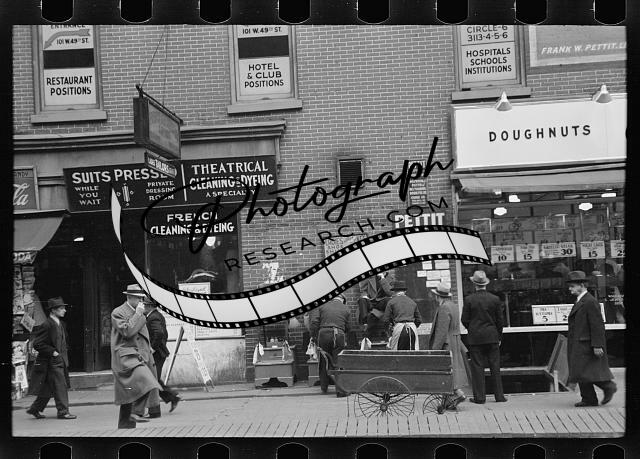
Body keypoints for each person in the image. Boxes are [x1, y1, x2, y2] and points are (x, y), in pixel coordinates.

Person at [111, 284, 162, 429]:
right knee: (147, 383)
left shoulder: (138, 312)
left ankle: (127, 426)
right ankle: (136, 413)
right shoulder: (118, 312)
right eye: (138, 298)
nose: (141, 302)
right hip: (126, 358)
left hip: (139, 357)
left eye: (142, 298)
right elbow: (127, 332)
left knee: (132, 392)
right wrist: (138, 314)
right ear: (129, 297)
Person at [566, 271, 617, 407]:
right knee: (580, 371)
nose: (570, 289)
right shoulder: (582, 300)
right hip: (581, 342)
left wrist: (598, 345)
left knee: (584, 371)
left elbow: (597, 325)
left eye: (572, 286)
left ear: (582, 285)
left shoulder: (589, 301)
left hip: (586, 343)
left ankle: (608, 386)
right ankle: (589, 398)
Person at [26, 297, 77, 420]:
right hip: (51, 361)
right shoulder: (47, 325)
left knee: (48, 387)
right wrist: (53, 352)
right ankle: (63, 412)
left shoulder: (60, 323)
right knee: (60, 386)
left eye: (64, 308)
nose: (64, 310)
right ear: (53, 310)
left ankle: (35, 409)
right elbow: (37, 344)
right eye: (61, 308)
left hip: (59, 360)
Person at [461, 270, 507, 404]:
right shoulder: (495, 299)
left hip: (475, 338)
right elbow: (500, 320)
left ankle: (480, 398)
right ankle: (499, 396)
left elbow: (464, 319)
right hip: (492, 336)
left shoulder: (469, 299)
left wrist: (472, 328)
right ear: (485, 284)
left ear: (474, 284)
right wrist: (499, 336)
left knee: (477, 367)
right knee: (495, 367)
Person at [428, 282, 468, 410]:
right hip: (455, 341)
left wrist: (434, 350)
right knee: (451, 370)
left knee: (446, 371)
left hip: (447, 343)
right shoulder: (453, 306)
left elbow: (441, 331)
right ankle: (449, 400)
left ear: (437, 296)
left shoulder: (444, 308)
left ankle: (458, 394)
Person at [143, 300, 181, 417]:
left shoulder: (153, 317)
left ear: (150, 306)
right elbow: (164, 333)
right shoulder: (156, 316)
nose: (144, 307)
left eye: (145, 305)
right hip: (159, 353)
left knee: (152, 380)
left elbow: (159, 333)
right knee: (154, 379)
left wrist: (153, 348)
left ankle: (154, 409)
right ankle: (172, 397)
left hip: (157, 354)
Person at [310, 294, 350, 397]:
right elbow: (348, 327)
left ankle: (324, 387)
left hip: (324, 334)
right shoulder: (346, 308)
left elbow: (314, 322)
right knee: (338, 362)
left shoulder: (322, 306)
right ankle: (340, 391)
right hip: (339, 335)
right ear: (342, 299)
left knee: (324, 360)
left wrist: (314, 337)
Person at [382, 280, 422, 350]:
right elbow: (419, 320)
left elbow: (386, 320)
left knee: (397, 353)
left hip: (399, 329)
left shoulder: (391, 302)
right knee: (413, 352)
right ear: (405, 291)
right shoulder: (412, 302)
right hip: (412, 328)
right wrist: (413, 325)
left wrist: (388, 332)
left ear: (394, 291)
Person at [358, 272, 393, 340]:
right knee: (362, 300)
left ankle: (388, 326)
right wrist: (365, 295)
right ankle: (365, 324)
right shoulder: (369, 277)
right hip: (370, 301)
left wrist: (382, 278)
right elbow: (363, 290)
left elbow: (390, 293)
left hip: (382, 302)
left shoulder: (390, 278)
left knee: (389, 300)